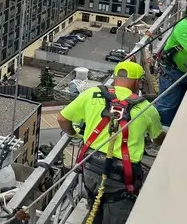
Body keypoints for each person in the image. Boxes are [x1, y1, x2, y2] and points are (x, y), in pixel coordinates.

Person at [58, 61, 165, 224]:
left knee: (95, 207)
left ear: (115, 78)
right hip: (121, 177)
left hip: (91, 167)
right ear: (137, 82)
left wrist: (74, 133)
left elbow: (62, 119)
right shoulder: (147, 109)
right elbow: (157, 139)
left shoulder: (92, 94)